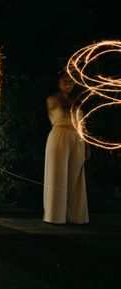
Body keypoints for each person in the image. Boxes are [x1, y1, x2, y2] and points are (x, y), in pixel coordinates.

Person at [43, 73, 89, 224]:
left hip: (77, 138)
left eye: (71, 81)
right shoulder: (53, 99)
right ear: (58, 82)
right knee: (58, 175)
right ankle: (55, 215)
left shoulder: (76, 102)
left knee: (76, 177)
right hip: (60, 135)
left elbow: (82, 125)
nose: (68, 83)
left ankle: (75, 216)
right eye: (64, 80)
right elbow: (58, 110)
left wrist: (87, 145)